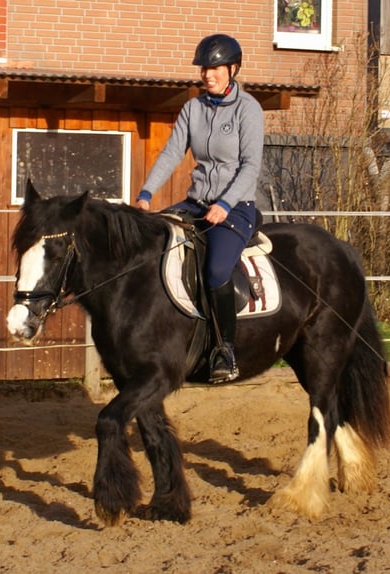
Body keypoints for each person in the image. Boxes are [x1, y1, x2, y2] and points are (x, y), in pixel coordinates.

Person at [135, 33, 264, 383]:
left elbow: (250, 165)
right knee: (154, 242)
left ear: (232, 69)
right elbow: (172, 153)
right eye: (204, 69)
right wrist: (147, 193)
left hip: (235, 208)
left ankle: (225, 350)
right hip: (196, 204)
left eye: (215, 68)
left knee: (216, 271)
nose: (208, 74)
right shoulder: (193, 108)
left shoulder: (248, 109)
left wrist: (225, 203)